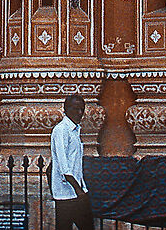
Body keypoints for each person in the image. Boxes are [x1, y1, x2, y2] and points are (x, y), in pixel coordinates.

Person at [50, 94, 90, 230]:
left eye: (82, 109)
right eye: (75, 109)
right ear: (66, 109)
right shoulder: (61, 130)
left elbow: (75, 163)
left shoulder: (75, 130)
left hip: (77, 192)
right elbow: (64, 166)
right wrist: (78, 190)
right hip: (66, 194)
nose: (79, 113)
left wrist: (82, 188)